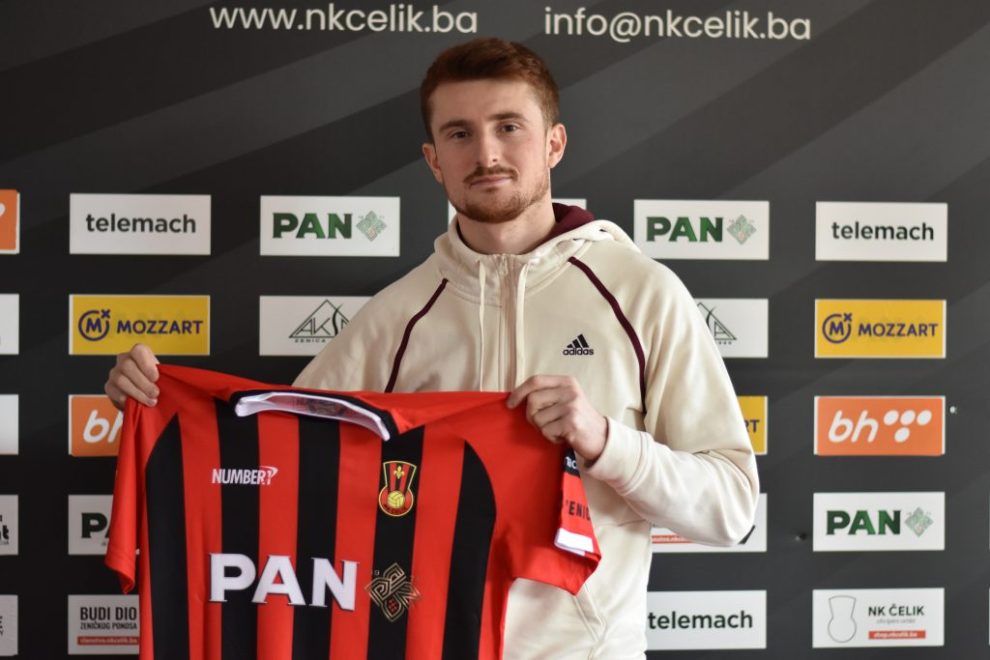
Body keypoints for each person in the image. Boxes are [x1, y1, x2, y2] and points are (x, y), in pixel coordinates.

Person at [106, 37, 758, 659]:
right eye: (459, 133)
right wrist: (158, 404)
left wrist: (606, 442)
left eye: (509, 126)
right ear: (433, 158)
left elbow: (731, 510)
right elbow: (276, 466)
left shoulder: (641, 294)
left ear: (554, 143)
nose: (486, 153)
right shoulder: (396, 318)